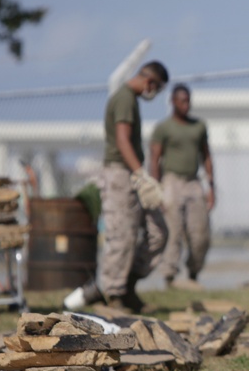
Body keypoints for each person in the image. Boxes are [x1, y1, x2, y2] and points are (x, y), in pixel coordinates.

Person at [64, 61, 170, 314]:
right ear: (150, 82)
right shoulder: (124, 98)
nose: (154, 94)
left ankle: (128, 286)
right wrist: (140, 175)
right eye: (156, 88)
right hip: (120, 175)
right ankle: (113, 295)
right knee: (122, 236)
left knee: (158, 232)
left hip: (130, 174)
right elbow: (122, 140)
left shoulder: (129, 99)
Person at [149, 83, 215, 288]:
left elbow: (206, 156)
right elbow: (155, 159)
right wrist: (157, 190)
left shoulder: (199, 126)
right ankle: (169, 276)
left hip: (193, 182)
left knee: (200, 233)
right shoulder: (163, 128)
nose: (186, 105)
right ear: (173, 102)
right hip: (171, 182)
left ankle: (194, 272)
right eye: (182, 101)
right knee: (173, 231)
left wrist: (211, 187)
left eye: (188, 100)